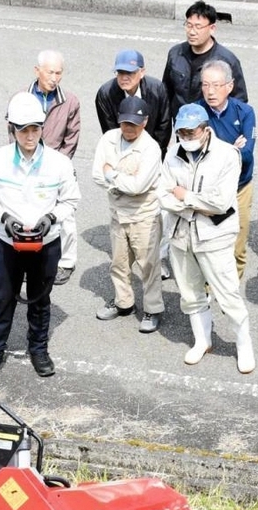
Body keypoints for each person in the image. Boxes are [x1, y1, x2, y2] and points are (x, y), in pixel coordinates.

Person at [0, 93, 80, 384]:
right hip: (8, 244)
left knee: (40, 300)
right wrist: (5, 218)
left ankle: (39, 350)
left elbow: (70, 200)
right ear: (13, 129)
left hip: (47, 244)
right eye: (23, 130)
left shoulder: (59, 163)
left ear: (42, 127)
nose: (30, 136)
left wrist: (51, 218)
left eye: (35, 129)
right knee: (3, 299)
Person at [158, 103, 254, 374]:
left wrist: (184, 196)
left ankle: (243, 344)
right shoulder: (172, 153)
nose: (186, 138)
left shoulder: (227, 155)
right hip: (180, 234)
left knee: (227, 293)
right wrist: (193, 204)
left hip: (215, 236)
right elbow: (163, 194)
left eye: (192, 132)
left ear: (205, 129)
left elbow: (221, 202)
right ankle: (202, 340)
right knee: (190, 292)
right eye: (182, 133)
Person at [92, 96, 164, 334]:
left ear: (144, 122)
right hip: (117, 213)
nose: (128, 128)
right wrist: (122, 181)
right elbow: (96, 175)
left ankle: (153, 309)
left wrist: (112, 175)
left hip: (144, 216)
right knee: (119, 262)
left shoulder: (151, 148)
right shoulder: (108, 139)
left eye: (134, 123)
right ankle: (123, 303)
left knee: (148, 265)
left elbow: (138, 187)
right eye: (125, 122)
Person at [24, 50, 81, 285]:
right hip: (27, 165)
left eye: (59, 73)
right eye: (50, 72)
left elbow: (72, 138)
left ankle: (66, 262)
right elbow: (13, 133)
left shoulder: (70, 101)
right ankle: (30, 260)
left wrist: (58, 165)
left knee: (65, 216)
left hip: (58, 165)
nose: (54, 78)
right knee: (30, 212)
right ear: (37, 71)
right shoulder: (22, 98)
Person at [197, 59, 255, 279]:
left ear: (229, 86)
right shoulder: (195, 111)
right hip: (208, 189)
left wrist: (213, 148)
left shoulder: (245, 112)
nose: (210, 91)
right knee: (208, 243)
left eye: (216, 85)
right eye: (205, 85)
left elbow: (246, 155)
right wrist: (231, 149)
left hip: (240, 188)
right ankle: (208, 288)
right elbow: (193, 152)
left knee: (237, 245)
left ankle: (232, 286)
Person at [162, 1, 247, 119]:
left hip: (211, 124)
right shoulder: (175, 53)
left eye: (198, 27)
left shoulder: (227, 60)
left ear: (212, 28)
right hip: (182, 123)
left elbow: (239, 100)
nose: (192, 32)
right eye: (189, 25)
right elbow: (166, 93)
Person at [95, 49, 171, 156]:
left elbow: (163, 127)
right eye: (120, 72)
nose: (124, 78)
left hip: (153, 152)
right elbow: (111, 131)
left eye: (130, 72)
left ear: (142, 72)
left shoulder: (157, 89)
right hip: (120, 153)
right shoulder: (105, 94)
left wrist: (153, 154)